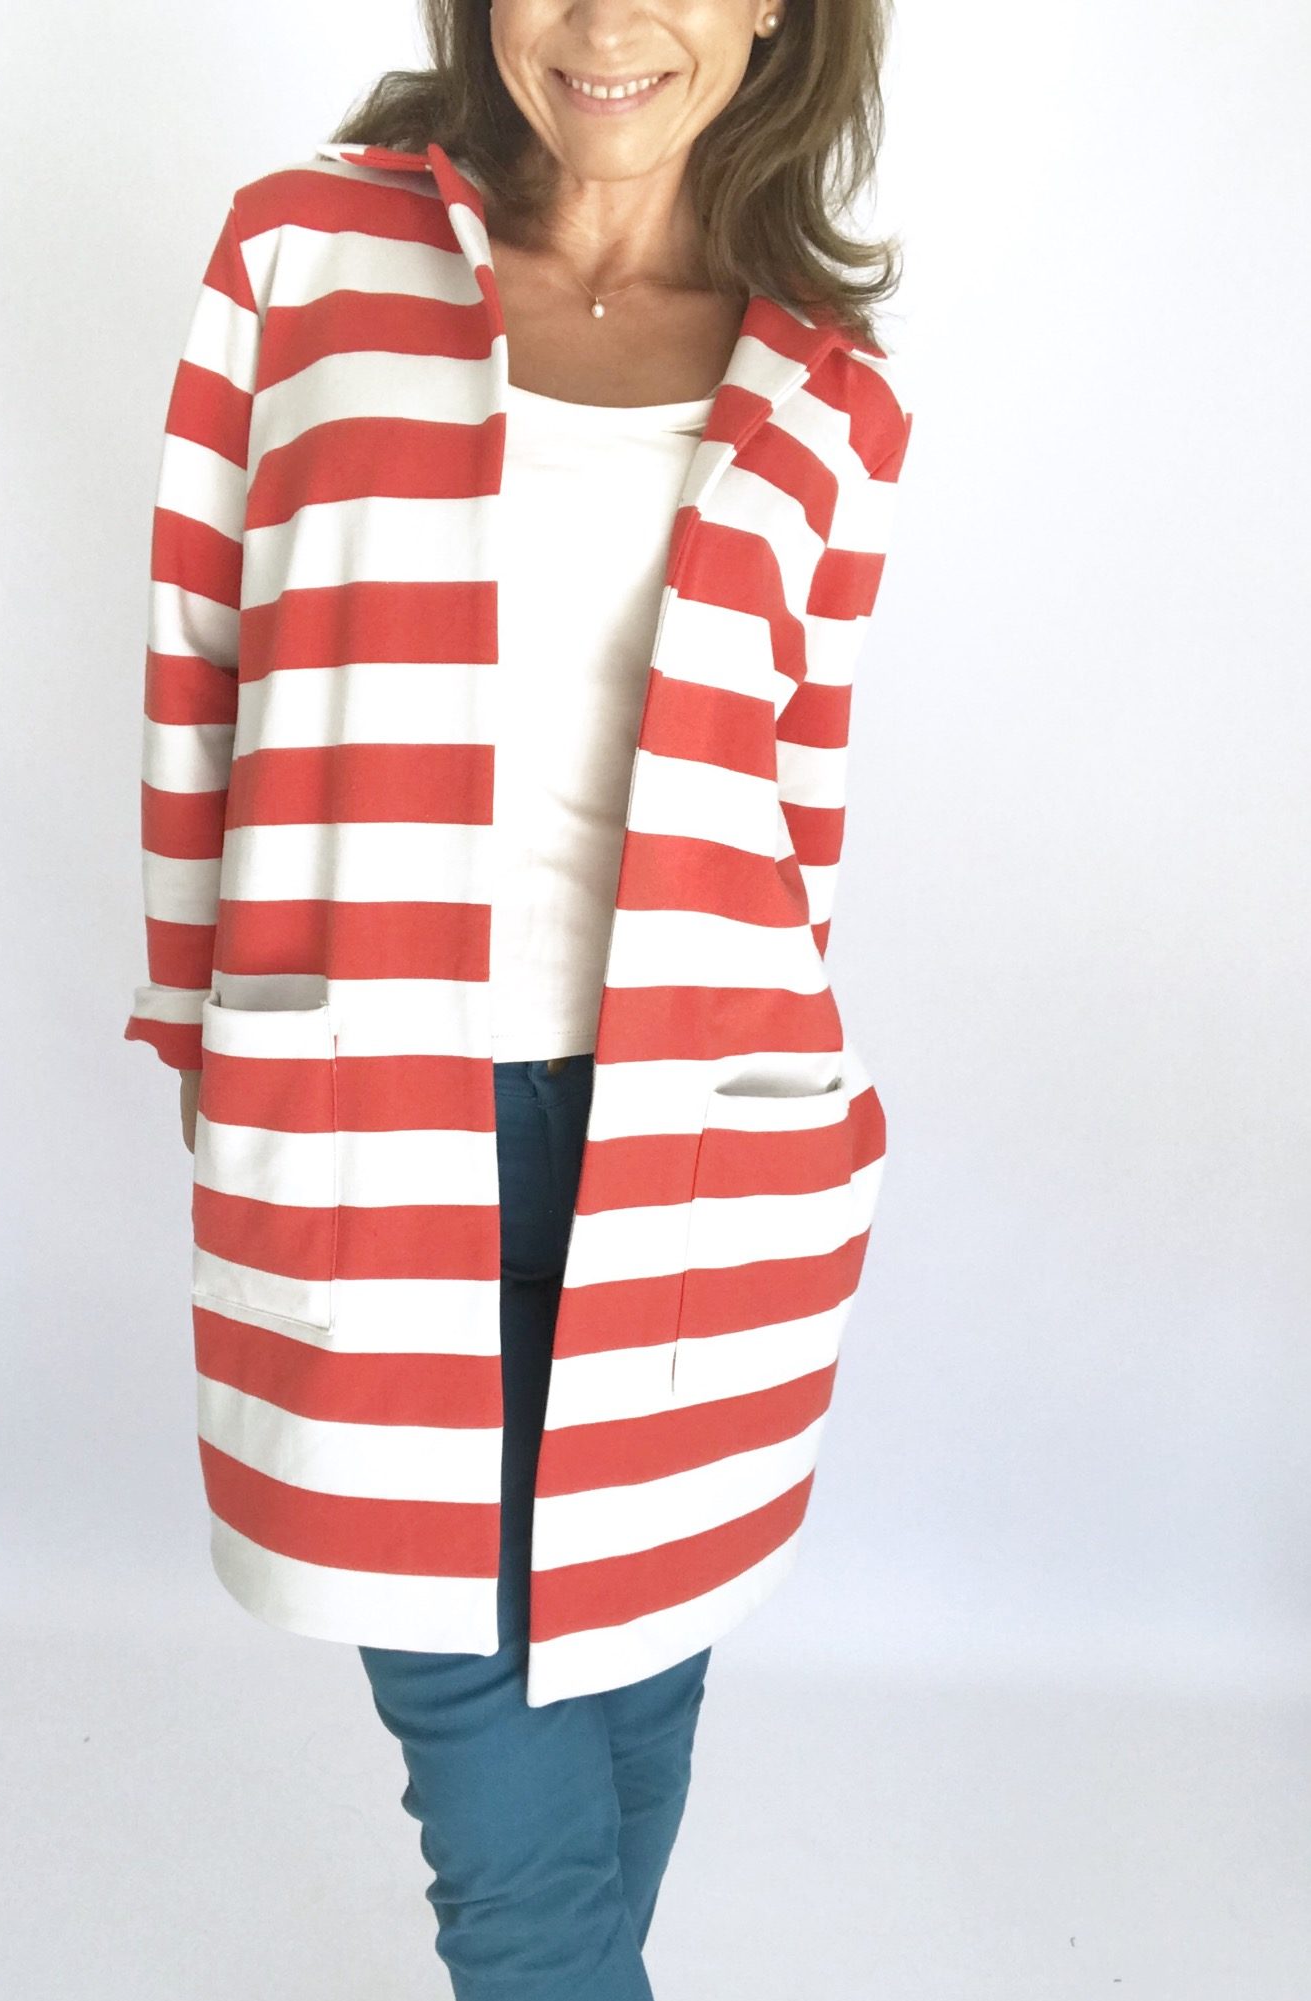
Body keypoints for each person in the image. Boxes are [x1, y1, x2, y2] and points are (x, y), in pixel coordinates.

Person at [124, 3, 913, 1994]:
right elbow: (197, 657)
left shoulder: (832, 391)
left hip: (699, 1149)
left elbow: (799, 812)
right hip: (373, 1110)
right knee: (511, 1834)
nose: (608, 18)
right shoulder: (302, 254)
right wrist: (202, 1027)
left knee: (636, 1699)